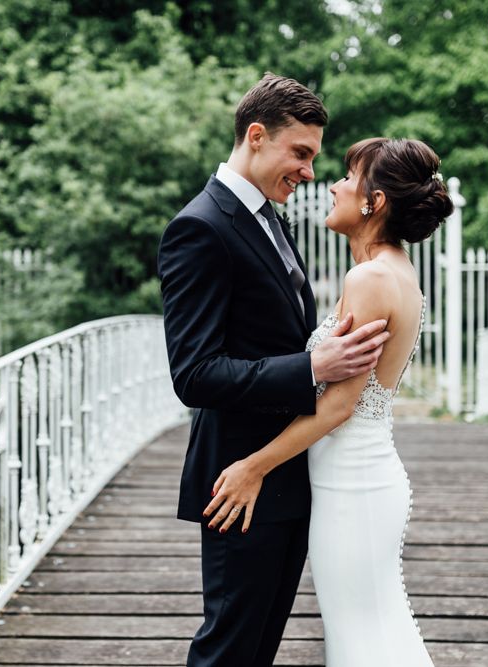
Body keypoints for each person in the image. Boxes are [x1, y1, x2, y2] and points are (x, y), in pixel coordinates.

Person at [157, 74, 391, 667]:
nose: (310, 171)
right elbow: (195, 373)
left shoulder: (269, 217)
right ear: (256, 136)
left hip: (285, 477)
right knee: (228, 651)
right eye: (301, 153)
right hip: (238, 481)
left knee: (257, 651)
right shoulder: (200, 228)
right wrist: (311, 366)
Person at [203, 137, 454, 666]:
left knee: (365, 636)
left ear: (375, 201)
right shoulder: (392, 270)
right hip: (356, 478)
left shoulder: (370, 278)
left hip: (354, 485)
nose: (332, 185)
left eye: (347, 176)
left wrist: (253, 466)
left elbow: (340, 406)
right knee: (370, 628)